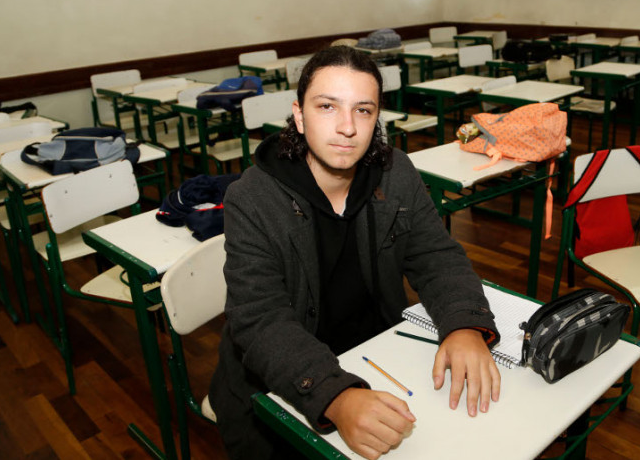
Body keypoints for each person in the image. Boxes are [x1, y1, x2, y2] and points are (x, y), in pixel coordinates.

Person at [210, 46, 501, 460]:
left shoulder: (395, 172)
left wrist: (464, 325)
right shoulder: (252, 198)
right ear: (299, 115)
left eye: (363, 111)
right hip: (279, 382)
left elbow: (436, 256)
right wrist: (335, 396)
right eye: (327, 106)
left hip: (376, 354)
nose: (347, 127)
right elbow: (259, 320)